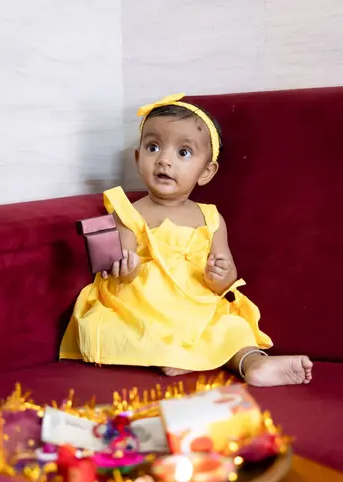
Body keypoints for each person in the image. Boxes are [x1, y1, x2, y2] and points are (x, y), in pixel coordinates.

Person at [60, 93, 313, 386]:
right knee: (130, 330)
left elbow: (225, 278)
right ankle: (184, 356)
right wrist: (126, 267)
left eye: (183, 153)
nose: (164, 160)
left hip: (196, 306)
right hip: (146, 305)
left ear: (206, 172)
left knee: (231, 327)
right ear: (139, 158)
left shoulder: (211, 218)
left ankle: (254, 363)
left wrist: (220, 274)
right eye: (153, 147)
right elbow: (123, 273)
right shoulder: (127, 212)